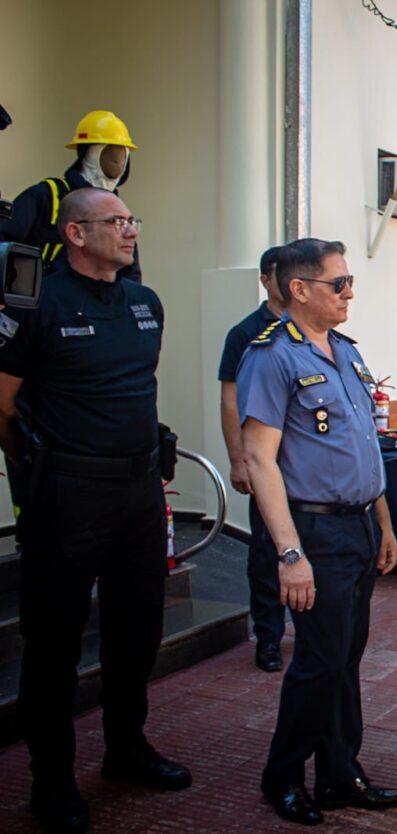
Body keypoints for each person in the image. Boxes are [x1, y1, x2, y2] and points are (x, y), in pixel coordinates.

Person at [0, 188, 189, 834]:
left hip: (138, 493)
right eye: (117, 222)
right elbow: (3, 403)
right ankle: (50, 783)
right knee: (52, 647)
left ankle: (126, 750)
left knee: (136, 633)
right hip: (68, 497)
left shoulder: (145, 303)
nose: (131, 230)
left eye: (133, 219)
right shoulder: (36, 303)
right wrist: (34, 474)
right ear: (77, 234)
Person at [237, 238, 397, 826]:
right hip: (314, 531)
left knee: (345, 658)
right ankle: (282, 776)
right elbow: (260, 461)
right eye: (339, 283)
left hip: (358, 527)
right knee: (318, 661)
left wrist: (383, 525)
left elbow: (366, 446)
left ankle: (339, 773)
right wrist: (290, 553)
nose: (349, 293)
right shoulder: (271, 356)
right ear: (299, 290)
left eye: (349, 281)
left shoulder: (345, 352)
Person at [218, 245, 288, 672]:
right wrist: (237, 459)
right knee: (266, 555)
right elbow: (231, 401)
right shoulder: (245, 333)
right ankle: (268, 638)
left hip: (305, 468)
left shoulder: (313, 327)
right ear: (265, 279)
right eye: (282, 273)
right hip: (266, 464)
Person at [0, 110, 142, 283]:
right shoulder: (45, 197)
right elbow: (4, 245)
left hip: (97, 306)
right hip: (44, 305)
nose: (117, 162)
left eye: (122, 156)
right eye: (111, 153)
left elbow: (131, 276)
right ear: (86, 153)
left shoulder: (121, 217)